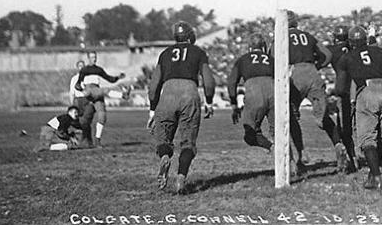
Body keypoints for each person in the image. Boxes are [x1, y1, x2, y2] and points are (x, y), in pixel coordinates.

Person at [146, 21, 216, 194]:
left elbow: (153, 86)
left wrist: (152, 110)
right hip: (188, 93)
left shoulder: (164, 54)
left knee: (164, 140)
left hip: (167, 94)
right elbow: (208, 81)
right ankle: (180, 179)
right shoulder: (198, 52)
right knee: (188, 142)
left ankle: (164, 156)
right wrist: (208, 101)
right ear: (191, 36)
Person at [334, 26, 382, 190]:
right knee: (379, 137)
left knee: (367, 140)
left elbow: (339, 88)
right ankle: (373, 175)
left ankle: (377, 177)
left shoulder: (346, 57)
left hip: (367, 92)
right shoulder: (380, 51)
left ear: (350, 42)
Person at [228, 33, 299, 172]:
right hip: (274, 92)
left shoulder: (242, 59)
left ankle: (271, 148)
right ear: (264, 47)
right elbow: (285, 79)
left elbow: (231, 82)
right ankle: (290, 163)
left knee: (250, 135)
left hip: (254, 92)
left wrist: (233, 104)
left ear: (249, 48)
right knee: (279, 132)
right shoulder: (272, 59)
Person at [286, 11, 347, 172]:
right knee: (323, 117)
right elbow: (327, 54)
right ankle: (338, 144)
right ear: (296, 23)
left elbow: (272, 59)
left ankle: (300, 154)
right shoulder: (307, 36)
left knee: (291, 117)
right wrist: (316, 67)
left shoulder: (281, 38)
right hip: (313, 73)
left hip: (294, 74)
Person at [74, 51, 126, 148]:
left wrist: (118, 77)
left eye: (95, 57)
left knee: (102, 116)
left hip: (98, 92)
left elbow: (110, 79)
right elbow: (77, 84)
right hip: (89, 90)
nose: (94, 59)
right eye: (92, 57)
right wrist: (82, 90)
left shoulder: (98, 70)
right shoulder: (84, 70)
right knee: (104, 90)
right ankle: (122, 95)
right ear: (88, 58)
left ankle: (97, 141)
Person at [328, 25, 358, 172]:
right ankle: (356, 157)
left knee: (344, 127)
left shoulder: (332, 50)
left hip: (343, 89)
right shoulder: (355, 47)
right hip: (359, 87)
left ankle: (351, 158)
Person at [69, 59, 95, 148]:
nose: (81, 68)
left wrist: (92, 101)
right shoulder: (74, 79)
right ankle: (87, 141)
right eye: (80, 66)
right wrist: (72, 105)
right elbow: (72, 93)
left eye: (83, 66)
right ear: (77, 68)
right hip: (77, 101)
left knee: (85, 121)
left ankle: (86, 140)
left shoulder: (89, 78)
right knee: (78, 122)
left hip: (87, 100)